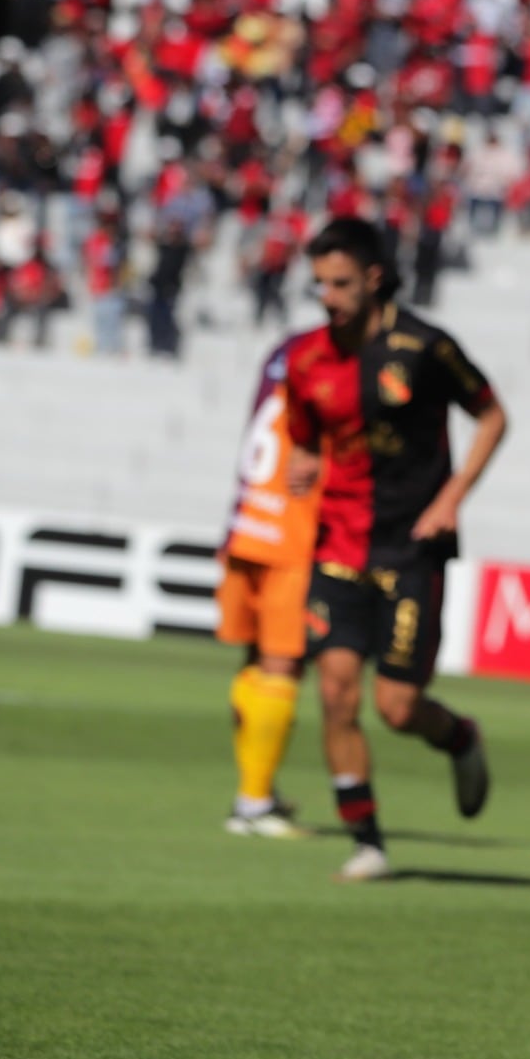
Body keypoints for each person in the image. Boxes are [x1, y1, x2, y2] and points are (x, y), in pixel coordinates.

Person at [281, 218, 508, 883]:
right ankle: (368, 841)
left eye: (340, 283)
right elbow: (302, 436)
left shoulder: (426, 347)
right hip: (340, 546)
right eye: (319, 283)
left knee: (398, 707)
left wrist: (453, 497)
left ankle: (461, 737)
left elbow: (493, 416)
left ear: (375, 277)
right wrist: (301, 463)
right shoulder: (306, 361)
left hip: (411, 548)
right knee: (336, 690)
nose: (327, 296)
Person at [215, 336, 323, 838]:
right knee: (283, 664)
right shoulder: (334, 361)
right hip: (291, 529)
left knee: (255, 663)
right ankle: (253, 804)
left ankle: (256, 787)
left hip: (248, 518)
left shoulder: (284, 350)